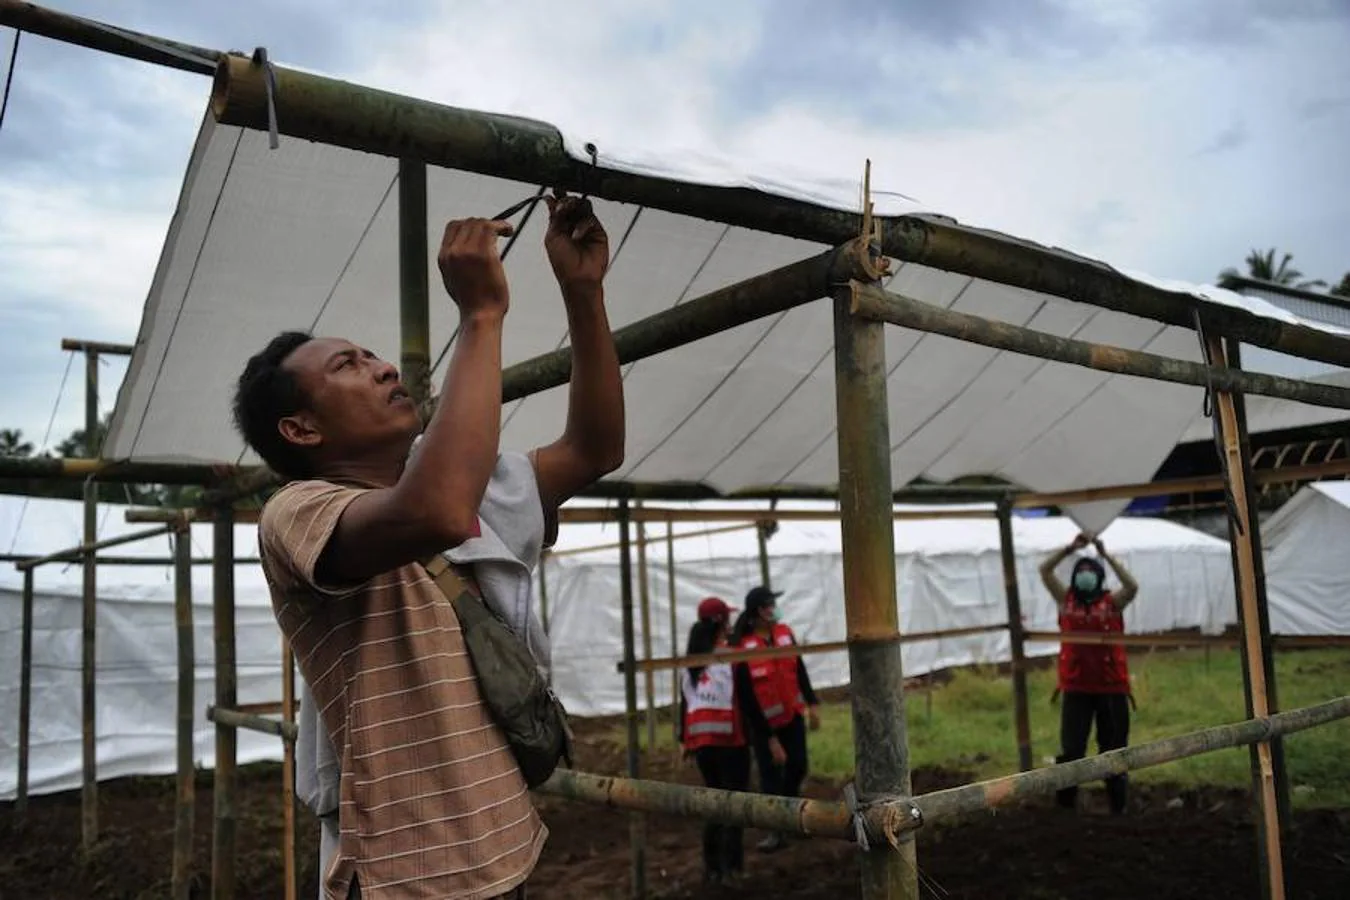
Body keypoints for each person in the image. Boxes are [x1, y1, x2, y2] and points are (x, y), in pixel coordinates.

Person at [234, 190, 624, 899]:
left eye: (374, 354)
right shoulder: (297, 514)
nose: (383, 367)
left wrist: (583, 294)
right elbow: (439, 510)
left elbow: (593, 449)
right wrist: (480, 315)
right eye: (348, 365)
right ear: (300, 431)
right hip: (404, 878)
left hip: (502, 852)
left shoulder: (460, 481)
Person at [1039, 532, 1139, 815]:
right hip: (1076, 687)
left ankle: (1118, 808)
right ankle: (1065, 808)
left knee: (1114, 750)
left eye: (1090, 572)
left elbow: (1132, 586)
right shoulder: (1066, 600)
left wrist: (1106, 555)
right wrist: (1069, 548)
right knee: (1072, 750)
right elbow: (1044, 571)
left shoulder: (1111, 603)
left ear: (1099, 576)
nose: (1085, 576)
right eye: (1080, 572)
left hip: (1112, 688)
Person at [730, 585, 819, 852]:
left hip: (792, 716)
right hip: (763, 725)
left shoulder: (784, 633)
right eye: (770, 605)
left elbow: (799, 668)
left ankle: (790, 815)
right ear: (759, 611)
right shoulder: (744, 647)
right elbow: (746, 698)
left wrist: (812, 703)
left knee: (798, 766)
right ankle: (775, 831)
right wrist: (770, 740)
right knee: (770, 776)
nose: (775, 609)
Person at [676, 596, 756, 885]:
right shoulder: (731, 658)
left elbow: (683, 702)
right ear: (722, 622)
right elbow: (749, 702)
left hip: (703, 744)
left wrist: (683, 739)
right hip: (732, 742)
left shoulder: (692, 660)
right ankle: (733, 867)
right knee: (734, 805)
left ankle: (713, 868)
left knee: (713, 801)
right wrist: (768, 739)